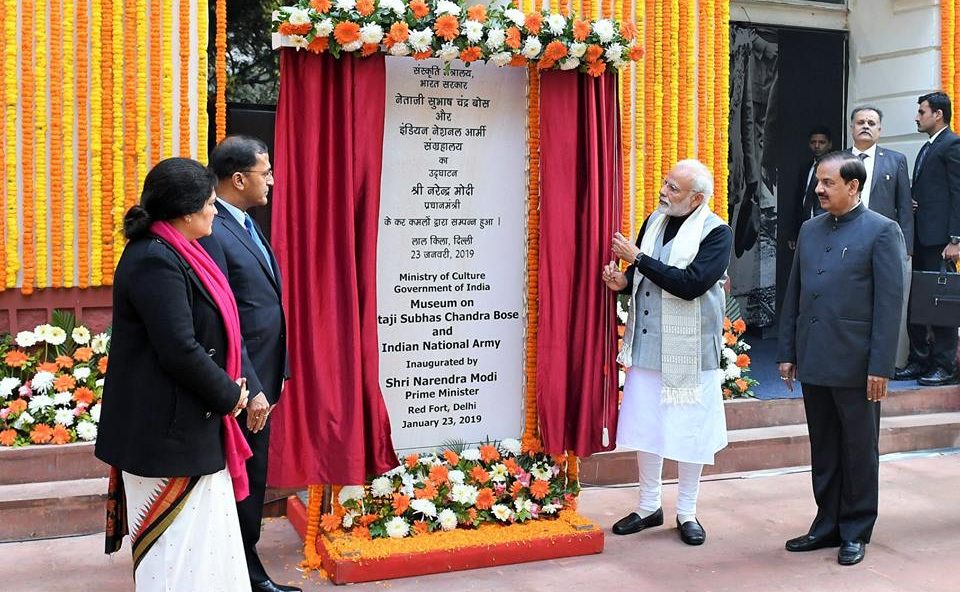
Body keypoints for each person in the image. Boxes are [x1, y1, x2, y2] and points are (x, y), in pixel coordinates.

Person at [95, 157, 254, 591]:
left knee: (204, 552)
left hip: (190, 428)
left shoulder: (180, 252)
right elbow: (179, 349)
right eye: (209, 202)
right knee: (176, 556)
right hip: (164, 435)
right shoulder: (154, 259)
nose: (216, 211)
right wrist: (230, 395)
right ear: (186, 211)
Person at [778, 151, 905, 566]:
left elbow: (890, 305)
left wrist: (880, 366)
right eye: (818, 181)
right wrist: (787, 352)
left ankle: (855, 528)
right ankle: (826, 523)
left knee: (858, 449)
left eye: (827, 183)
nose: (818, 189)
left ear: (853, 186)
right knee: (826, 446)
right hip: (815, 357)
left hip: (857, 364)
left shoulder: (882, 231)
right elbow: (793, 293)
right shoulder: (811, 230)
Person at [603, 159, 732, 546]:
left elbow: (690, 284)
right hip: (649, 340)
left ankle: (687, 511)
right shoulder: (655, 221)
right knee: (648, 425)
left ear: (696, 198)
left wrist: (637, 258)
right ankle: (648, 505)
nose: (664, 191)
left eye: (673, 188)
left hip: (689, 347)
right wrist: (623, 281)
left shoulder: (717, 233)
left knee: (689, 430)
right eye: (665, 183)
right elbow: (649, 280)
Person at [199, 136, 295, 592]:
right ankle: (247, 575)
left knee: (252, 479)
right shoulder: (215, 229)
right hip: (242, 383)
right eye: (266, 172)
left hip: (262, 376)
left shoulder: (245, 223)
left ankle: (244, 567)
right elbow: (226, 318)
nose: (272, 180)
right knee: (243, 481)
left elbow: (265, 303)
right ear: (238, 179)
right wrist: (253, 386)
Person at [895, 91, 960, 386]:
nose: (917, 117)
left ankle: (944, 366)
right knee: (919, 301)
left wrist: (956, 239)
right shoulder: (927, 147)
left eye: (922, 112)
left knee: (941, 301)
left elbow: (958, 194)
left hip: (941, 241)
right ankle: (919, 360)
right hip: (921, 236)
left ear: (938, 114)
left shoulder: (952, 144)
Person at [847, 106, 914, 250]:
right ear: (852, 127)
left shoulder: (896, 160)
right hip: (844, 234)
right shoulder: (838, 159)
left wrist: (906, 247)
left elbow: (904, 208)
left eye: (871, 123)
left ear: (879, 130)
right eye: (860, 122)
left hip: (882, 237)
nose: (865, 126)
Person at [788, 125, 834, 248]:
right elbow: (799, 201)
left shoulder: (836, 168)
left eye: (822, 142)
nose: (817, 146)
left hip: (827, 225)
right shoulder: (806, 168)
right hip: (806, 225)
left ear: (829, 144)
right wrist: (793, 232)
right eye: (813, 142)